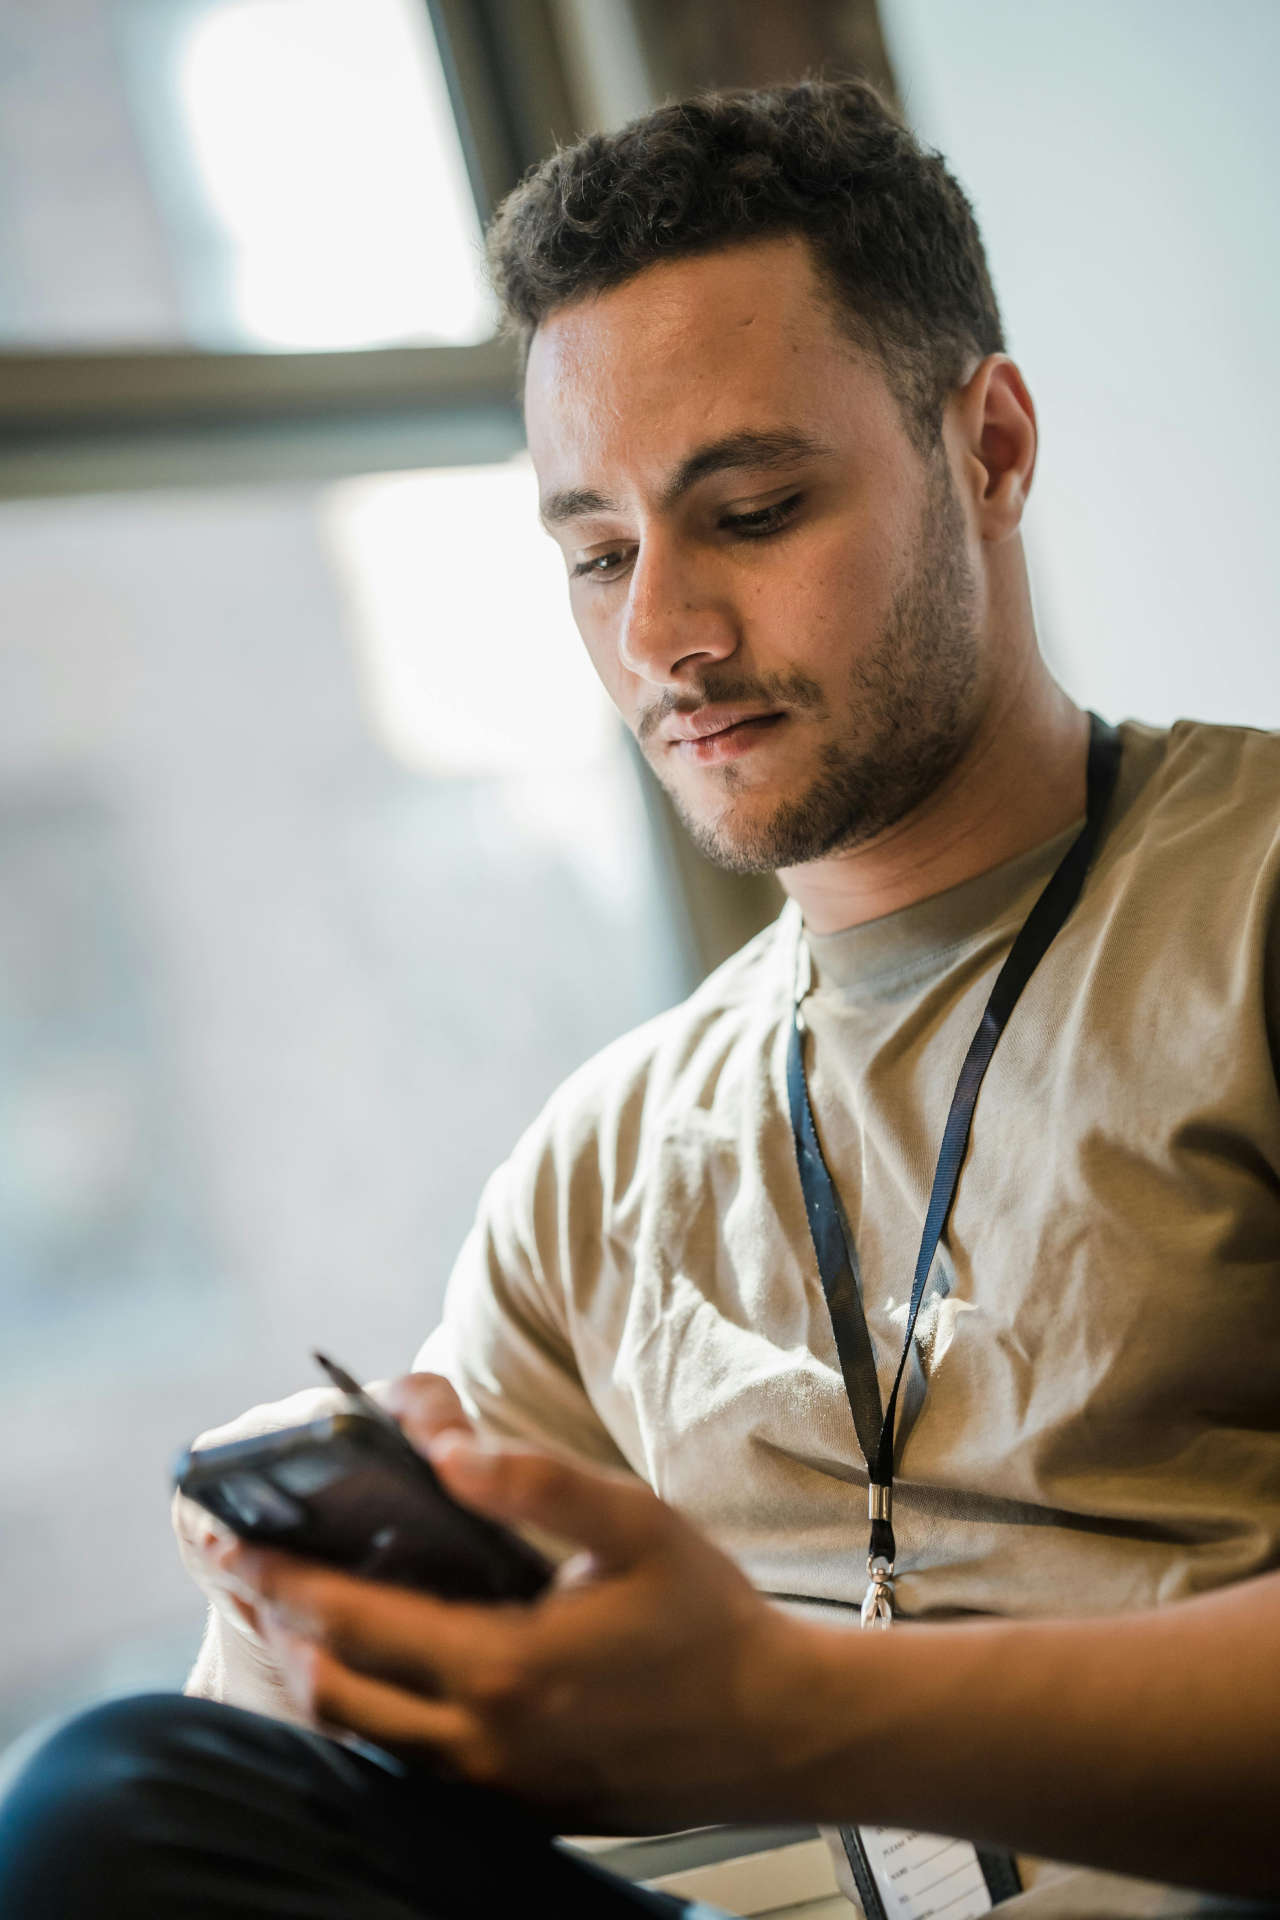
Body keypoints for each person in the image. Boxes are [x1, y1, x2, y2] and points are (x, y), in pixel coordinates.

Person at [2, 75, 1278, 1920]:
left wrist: (799, 1708)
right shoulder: (603, 1166)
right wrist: (334, 1634)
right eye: (595, 553)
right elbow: (299, 1779)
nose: (661, 634)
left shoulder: (1241, 911)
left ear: (988, 450)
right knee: (123, 1800)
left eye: (749, 510)